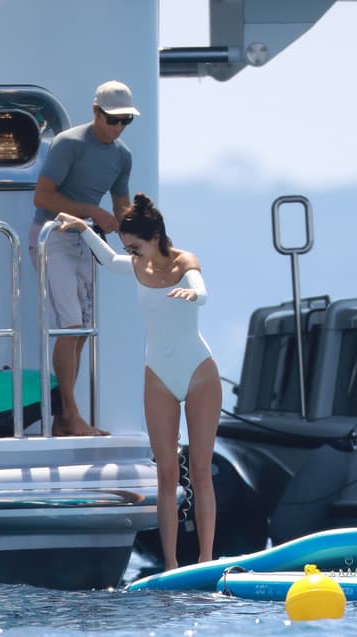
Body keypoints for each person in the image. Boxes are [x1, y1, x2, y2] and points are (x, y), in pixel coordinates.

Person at [55, 195, 221, 568]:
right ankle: (172, 565)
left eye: (135, 246)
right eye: (128, 248)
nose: (131, 254)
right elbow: (108, 259)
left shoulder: (184, 261)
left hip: (199, 371)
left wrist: (193, 294)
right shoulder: (135, 265)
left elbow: (202, 290)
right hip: (158, 375)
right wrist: (83, 227)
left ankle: (207, 559)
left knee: (199, 470)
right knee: (166, 473)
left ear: (155, 237)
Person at [29, 80, 138, 436]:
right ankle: (71, 415)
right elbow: (42, 197)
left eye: (125, 121)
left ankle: (65, 418)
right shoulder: (69, 143)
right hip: (52, 238)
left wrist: (137, 241)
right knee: (71, 326)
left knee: (83, 331)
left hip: (86, 242)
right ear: (95, 112)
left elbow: (121, 206)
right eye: (112, 119)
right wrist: (92, 210)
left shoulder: (122, 156)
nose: (118, 127)